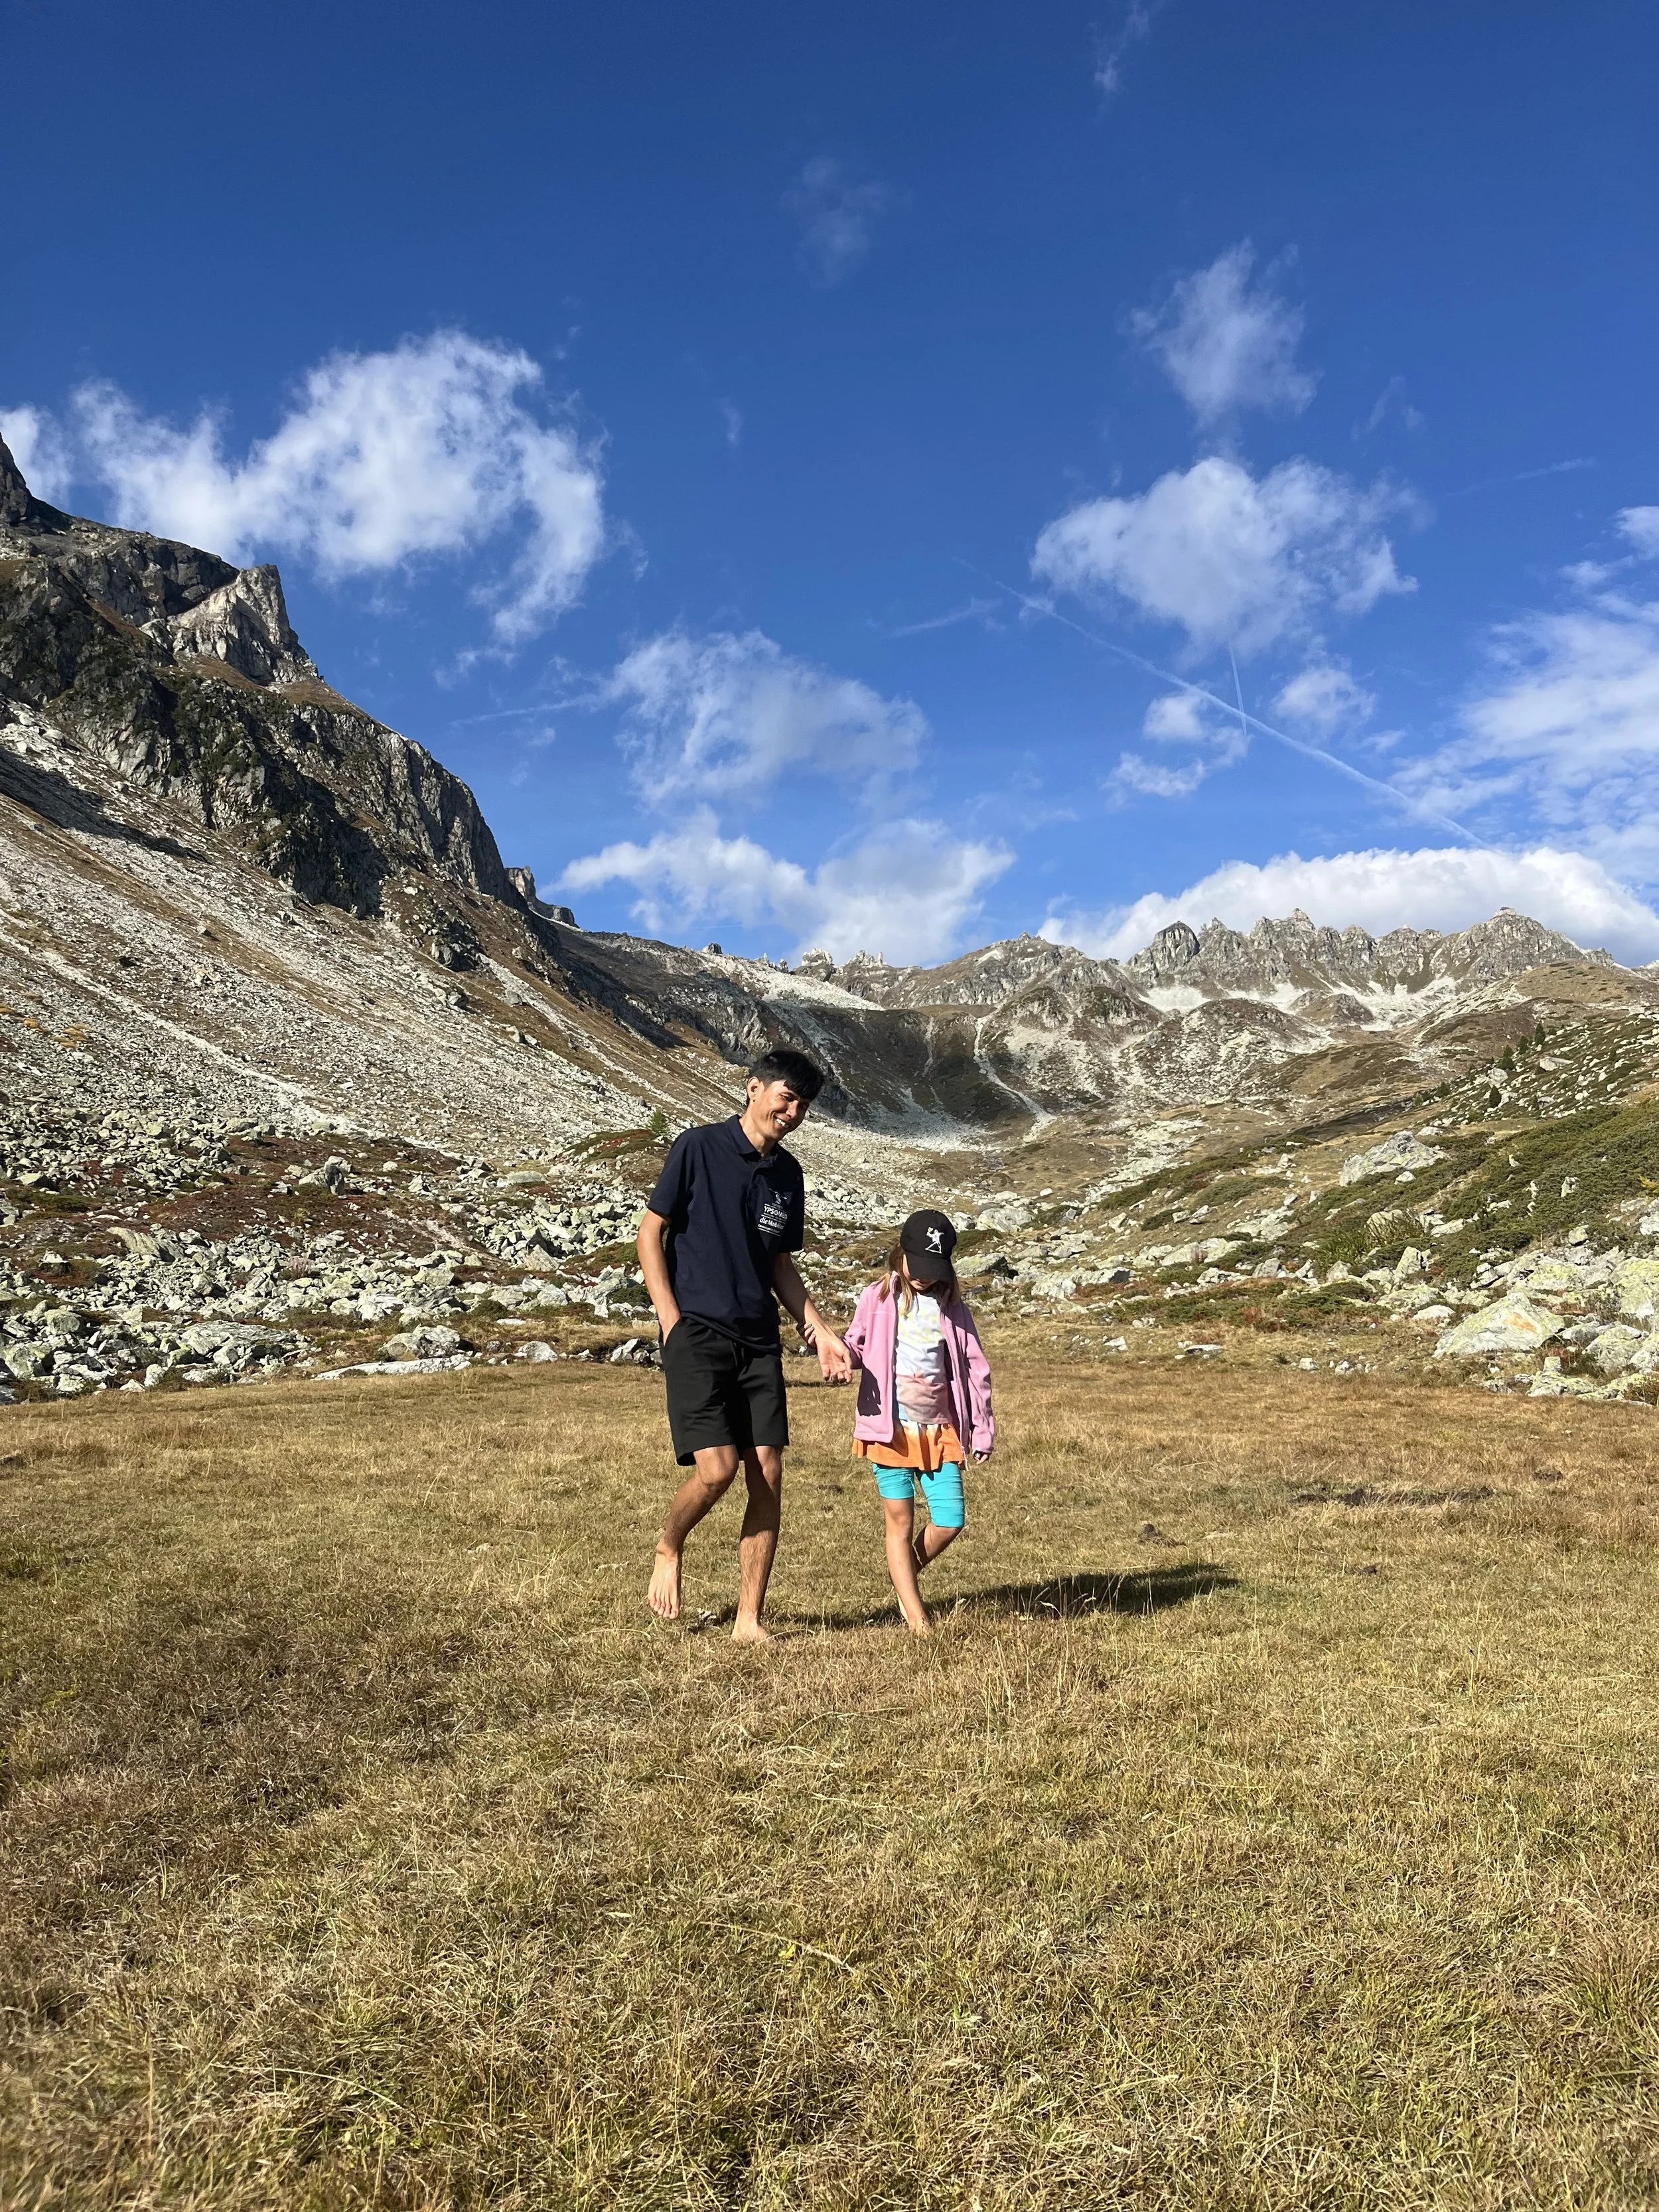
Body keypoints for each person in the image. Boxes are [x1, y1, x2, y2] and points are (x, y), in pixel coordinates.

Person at [638, 1049, 853, 1641]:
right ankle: (670, 1544)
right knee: (717, 1469)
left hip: (759, 1340)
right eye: (786, 1096)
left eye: (804, 1104)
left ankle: (748, 1619)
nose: (794, 1110)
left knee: (768, 1470)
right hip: (698, 1332)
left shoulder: (788, 1175)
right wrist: (671, 1318)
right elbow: (651, 1232)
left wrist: (820, 1331)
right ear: (755, 1088)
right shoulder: (697, 1147)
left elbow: (779, 1263)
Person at [843, 1209, 994, 1637]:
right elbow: (857, 1346)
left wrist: (980, 1430)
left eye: (935, 1269)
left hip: (938, 1431)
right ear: (900, 1254)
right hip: (889, 1430)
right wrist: (837, 1354)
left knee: (950, 1520)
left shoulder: (953, 1308)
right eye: (918, 1267)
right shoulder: (877, 1299)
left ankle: (901, 1572)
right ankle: (917, 1619)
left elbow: (975, 1371)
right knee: (900, 1520)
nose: (925, 1278)